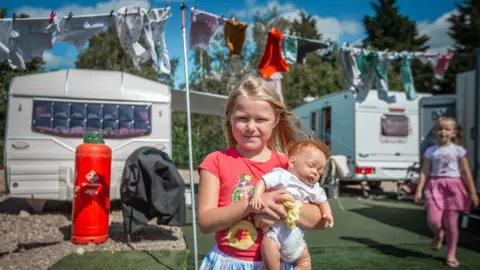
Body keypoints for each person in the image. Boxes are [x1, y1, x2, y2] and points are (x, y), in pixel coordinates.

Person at [197, 74, 331, 269]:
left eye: (260, 119)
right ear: (229, 117)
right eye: (243, 118)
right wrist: (252, 204)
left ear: (275, 120)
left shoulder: (288, 165)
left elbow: (321, 220)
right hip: (229, 263)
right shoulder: (215, 161)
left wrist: (284, 208)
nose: (251, 127)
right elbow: (205, 222)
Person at [249, 140, 334, 270]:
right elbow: (264, 181)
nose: (315, 172)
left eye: (320, 170)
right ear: (292, 162)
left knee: (305, 261)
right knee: (268, 246)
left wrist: (327, 213)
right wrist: (257, 195)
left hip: (296, 237)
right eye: (311, 165)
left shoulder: (313, 188)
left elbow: (323, 201)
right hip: (276, 234)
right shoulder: (282, 176)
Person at [414, 116, 479, 268]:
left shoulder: (459, 151)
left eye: (447, 129)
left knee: (451, 223)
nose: (443, 132)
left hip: (454, 186)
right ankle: (438, 234)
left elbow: (465, 172)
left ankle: (451, 253)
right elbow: (424, 172)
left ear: (454, 133)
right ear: (435, 131)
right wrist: (419, 190)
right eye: (440, 129)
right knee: (433, 220)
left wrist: (473, 193)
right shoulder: (431, 151)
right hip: (435, 185)